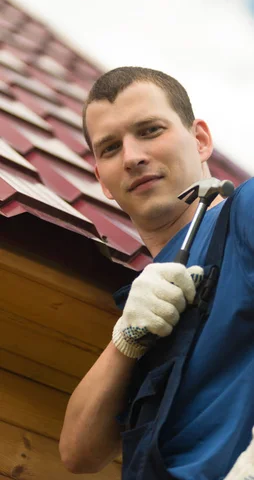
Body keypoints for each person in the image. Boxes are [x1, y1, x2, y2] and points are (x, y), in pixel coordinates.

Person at [59, 67, 254, 479]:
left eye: (149, 130)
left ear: (200, 140)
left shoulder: (247, 211)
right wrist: (126, 340)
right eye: (110, 148)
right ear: (103, 181)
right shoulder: (143, 302)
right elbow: (78, 454)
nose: (132, 157)